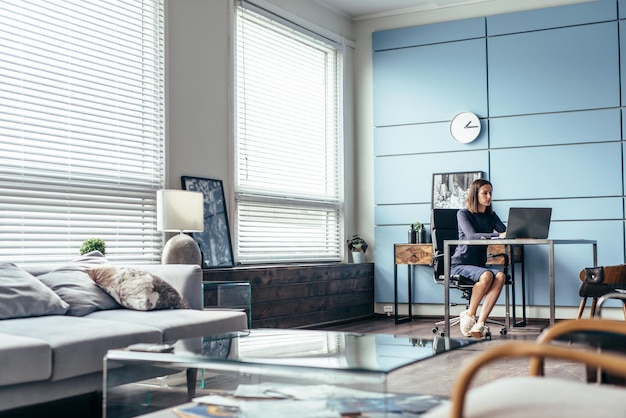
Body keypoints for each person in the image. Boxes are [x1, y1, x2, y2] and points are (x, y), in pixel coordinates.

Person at [451, 179, 507, 338]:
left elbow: (506, 233)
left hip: (479, 265)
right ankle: (470, 314)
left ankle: (480, 323)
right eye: (485, 193)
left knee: (501, 275)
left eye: (490, 193)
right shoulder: (463, 214)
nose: (489, 196)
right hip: (460, 264)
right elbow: (472, 236)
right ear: (475, 194)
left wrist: (520, 231)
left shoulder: (491, 215)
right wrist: (498, 235)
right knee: (488, 275)